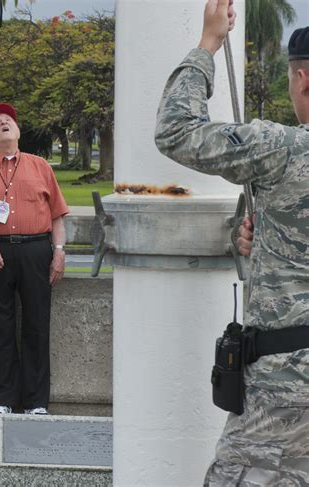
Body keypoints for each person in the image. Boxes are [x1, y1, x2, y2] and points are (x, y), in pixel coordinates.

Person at [155, 0, 308, 483]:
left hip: (288, 384)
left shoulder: (282, 148)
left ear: (302, 79)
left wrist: (208, 45)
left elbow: (177, 130)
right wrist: (268, 242)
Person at [0, 103, 69, 423]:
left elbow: (58, 215)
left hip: (36, 250)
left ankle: (36, 402)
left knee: (36, 324)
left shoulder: (40, 166)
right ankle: (1, 399)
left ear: (17, 133)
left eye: (10, 121)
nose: (4, 123)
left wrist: (58, 251)